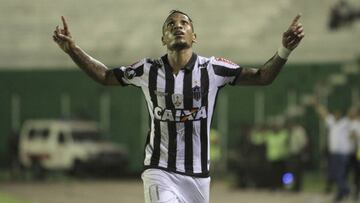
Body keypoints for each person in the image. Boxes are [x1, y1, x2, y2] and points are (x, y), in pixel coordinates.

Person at [53, 10, 304, 203]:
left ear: (194, 36)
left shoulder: (213, 69)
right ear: (163, 38)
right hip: (160, 170)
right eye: (171, 25)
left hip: (199, 178)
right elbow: (106, 76)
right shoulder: (147, 70)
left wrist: (284, 50)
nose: (178, 27)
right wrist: (73, 50)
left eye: (184, 23)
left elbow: (262, 77)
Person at [314, 103, 355, 202]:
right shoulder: (332, 122)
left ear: (341, 115)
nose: (336, 115)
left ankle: (346, 189)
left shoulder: (345, 122)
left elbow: (351, 113)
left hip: (342, 153)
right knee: (337, 174)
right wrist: (316, 104)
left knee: (338, 174)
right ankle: (340, 194)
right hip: (334, 153)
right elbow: (324, 114)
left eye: (338, 114)